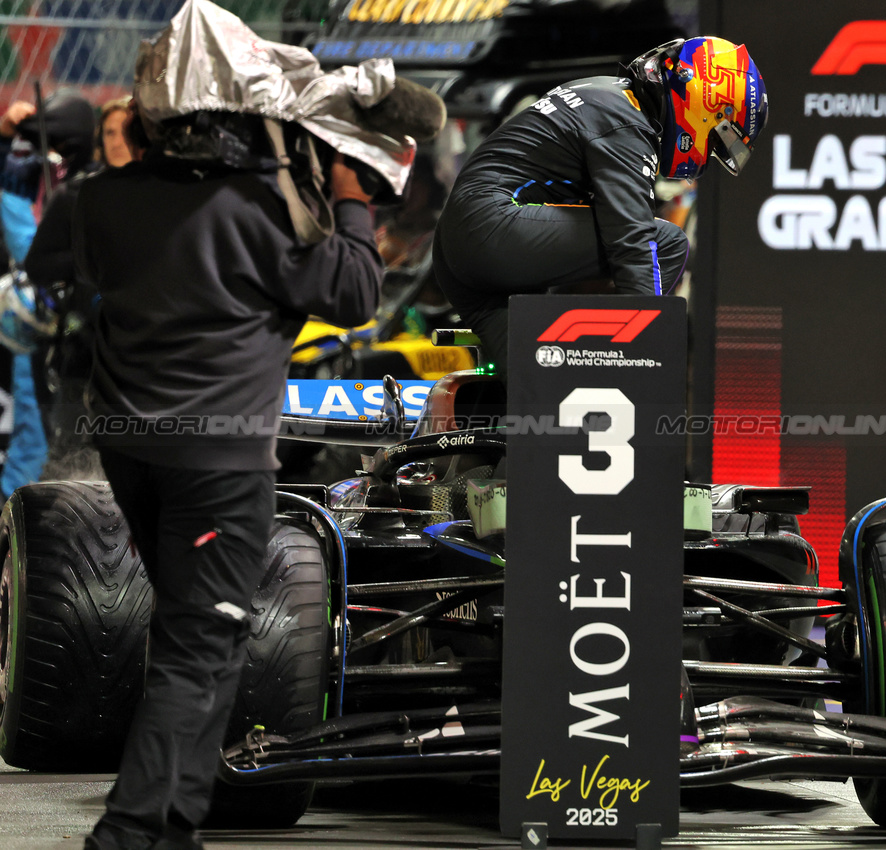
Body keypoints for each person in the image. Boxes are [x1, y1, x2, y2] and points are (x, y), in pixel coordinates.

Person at [73, 109, 384, 849]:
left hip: (130, 445)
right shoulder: (257, 209)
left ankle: (175, 826)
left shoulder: (99, 198)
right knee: (199, 643)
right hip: (219, 458)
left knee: (208, 630)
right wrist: (350, 196)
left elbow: (86, 276)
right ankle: (127, 832)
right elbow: (355, 293)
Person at [432, 36, 767, 376]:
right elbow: (633, 242)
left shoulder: (608, 94)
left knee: (540, 391)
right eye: (716, 138)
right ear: (705, 104)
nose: (707, 153)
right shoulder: (627, 122)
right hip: (491, 227)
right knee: (666, 243)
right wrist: (643, 362)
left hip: (456, 245)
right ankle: (607, 368)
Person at [27, 97, 141, 474]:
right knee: (67, 464)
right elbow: (38, 264)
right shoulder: (75, 195)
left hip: (146, 361)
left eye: (124, 129)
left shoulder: (165, 199)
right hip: (82, 355)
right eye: (108, 131)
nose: (116, 140)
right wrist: (88, 264)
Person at [0, 90, 95, 496]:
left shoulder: (89, 190)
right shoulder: (30, 186)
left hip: (83, 342)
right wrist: (11, 139)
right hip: (41, 340)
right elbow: (29, 252)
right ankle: (13, 536)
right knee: (33, 441)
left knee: (53, 441)